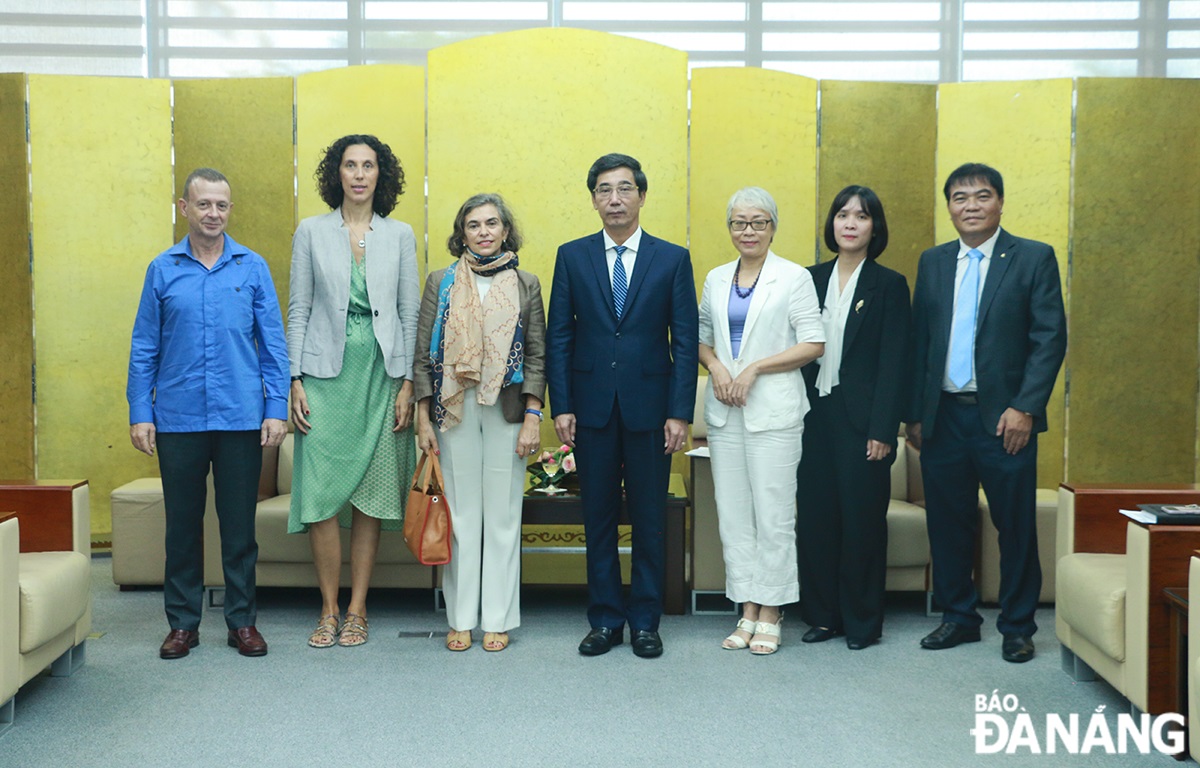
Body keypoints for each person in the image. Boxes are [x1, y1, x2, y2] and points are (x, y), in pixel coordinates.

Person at [907, 162, 1066, 663]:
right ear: (948, 206)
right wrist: (915, 412)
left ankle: (1018, 626)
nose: (970, 206)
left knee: (1014, 525)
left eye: (981, 196)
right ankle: (959, 618)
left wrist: (1025, 407)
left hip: (1004, 420)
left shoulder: (1033, 258)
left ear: (1000, 202)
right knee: (948, 523)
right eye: (959, 197)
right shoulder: (933, 262)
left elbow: (1049, 338)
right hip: (943, 418)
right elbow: (921, 343)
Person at [128, 167, 289, 660]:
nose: (213, 213)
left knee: (239, 528)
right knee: (181, 526)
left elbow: (274, 346)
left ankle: (242, 622)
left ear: (229, 210)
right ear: (184, 208)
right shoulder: (162, 269)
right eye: (203, 204)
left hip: (242, 416)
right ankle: (182, 624)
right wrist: (140, 411)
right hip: (177, 418)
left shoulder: (252, 267)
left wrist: (275, 408)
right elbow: (144, 347)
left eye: (221, 205)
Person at [546, 153, 699, 659]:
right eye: (605, 190)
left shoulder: (672, 258)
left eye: (625, 189)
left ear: (641, 195)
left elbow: (685, 339)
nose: (615, 198)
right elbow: (560, 336)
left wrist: (679, 412)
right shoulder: (572, 256)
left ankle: (646, 620)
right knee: (599, 518)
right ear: (593, 199)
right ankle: (606, 619)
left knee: (651, 518)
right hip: (589, 409)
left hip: (652, 410)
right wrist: (561, 404)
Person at [287, 134, 419, 649]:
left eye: (369, 166)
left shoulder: (401, 235)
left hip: (384, 376)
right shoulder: (310, 231)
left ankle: (359, 609)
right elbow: (298, 308)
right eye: (350, 165)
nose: (360, 174)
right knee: (320, 495)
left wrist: (410, 382)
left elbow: (410, 312)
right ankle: (327, 609)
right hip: (323, 375)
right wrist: (293, 380)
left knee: (371, 493)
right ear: (336, 174)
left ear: (380, 175)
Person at [413, 193, 545, 653]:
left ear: (506, 231)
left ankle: (499, 618)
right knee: (463, 516)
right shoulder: (441, 281)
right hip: (455, 407)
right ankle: (461, 618)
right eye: (474, 225)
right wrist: (423, 415)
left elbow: (536, 355)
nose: (484, 231)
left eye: (492, 223)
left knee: (504, 515)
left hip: (507, 409)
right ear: (462, 233)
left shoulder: (527, 284)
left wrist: (533, 415)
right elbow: (422, 356)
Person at [698, 187, 824, 656]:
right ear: (730, 228)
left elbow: (814, 342)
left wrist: (753, 368)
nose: (747, 231)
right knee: (733, 517)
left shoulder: (793, 278)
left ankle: (771, 611)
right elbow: (701, 339)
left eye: (758, 222)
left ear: (772, 227)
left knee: (773, 516)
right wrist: (716, 367)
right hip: (726, 412)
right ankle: (746, 607)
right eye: (739, 223)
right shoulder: (715, 279)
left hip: (774, 414)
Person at [795, 185, 911, 651]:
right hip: (811, 416)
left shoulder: (889, 285)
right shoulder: (808, 278)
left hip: (862, 421)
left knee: (862, 522)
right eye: (842, 215)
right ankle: (822, 616)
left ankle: (862, 621)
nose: (849, 223)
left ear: (874, 227)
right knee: (817, 520)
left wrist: (884, 430)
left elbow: (895, 362)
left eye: (861, 217)